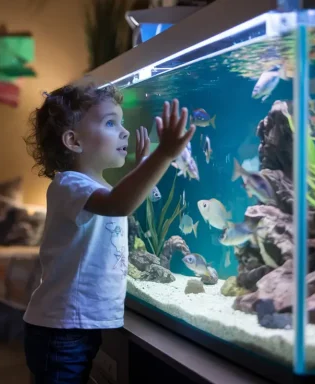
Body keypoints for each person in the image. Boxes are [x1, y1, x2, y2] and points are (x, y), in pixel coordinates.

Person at [22, 82, 195, 384]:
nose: (125, 131)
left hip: (78, 326)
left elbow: (120, 200)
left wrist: (141, 166)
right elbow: (120, 205)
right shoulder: (69, 185)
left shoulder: (98, 188)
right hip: (62, 330)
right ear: (73, 140)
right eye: (111, 123)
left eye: (122, 122)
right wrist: (163, 154)